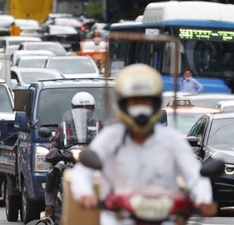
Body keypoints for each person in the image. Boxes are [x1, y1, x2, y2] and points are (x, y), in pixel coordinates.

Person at [71, 64, 217, 225]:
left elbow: (195, 175)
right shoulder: (109, 138)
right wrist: (86, 194)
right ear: (122, 105)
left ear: (155, 104)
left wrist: (203, 199)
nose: (140, 109)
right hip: (119, 219)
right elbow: (82, 172)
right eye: (134, 102)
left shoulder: (172, 140)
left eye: (145, 102)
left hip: (164, 219)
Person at [41, 92, 102, 222]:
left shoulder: (98, 125)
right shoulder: (65, 125)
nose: (84, 111)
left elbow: (105, 142)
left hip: (91, 158)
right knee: (53, 173)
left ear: (92, 109)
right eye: (81, 108)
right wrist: (55, 152)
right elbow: (55, 143)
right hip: (68, 157)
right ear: (73, 109)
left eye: (88, 108)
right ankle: (49, 208)